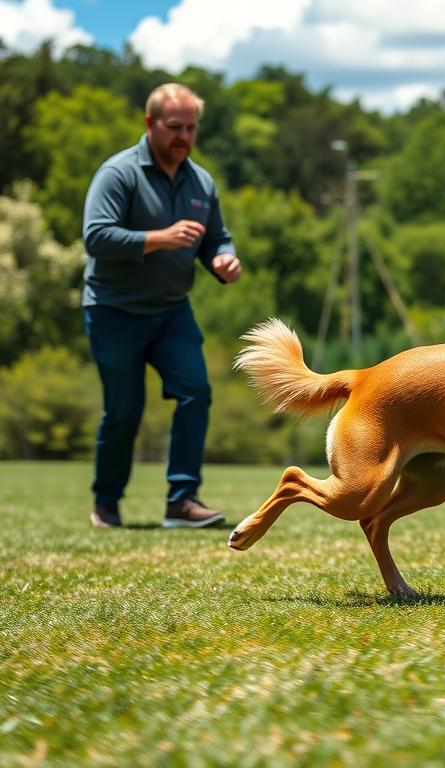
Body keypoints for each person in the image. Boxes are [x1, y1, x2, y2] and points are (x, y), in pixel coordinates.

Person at [82, 83, 242, 529]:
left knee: (196, 391)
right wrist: (159, 238)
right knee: (124, 411)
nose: (184, 136)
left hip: (171, 311)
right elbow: (96, 237)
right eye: (175, 127)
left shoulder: (200, 181)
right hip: (113, 310)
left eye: (191, 128)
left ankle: (182, 500)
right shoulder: (119, 173)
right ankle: (106, 502)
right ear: (150, 124)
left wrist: (222, 258)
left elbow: (215, 236)